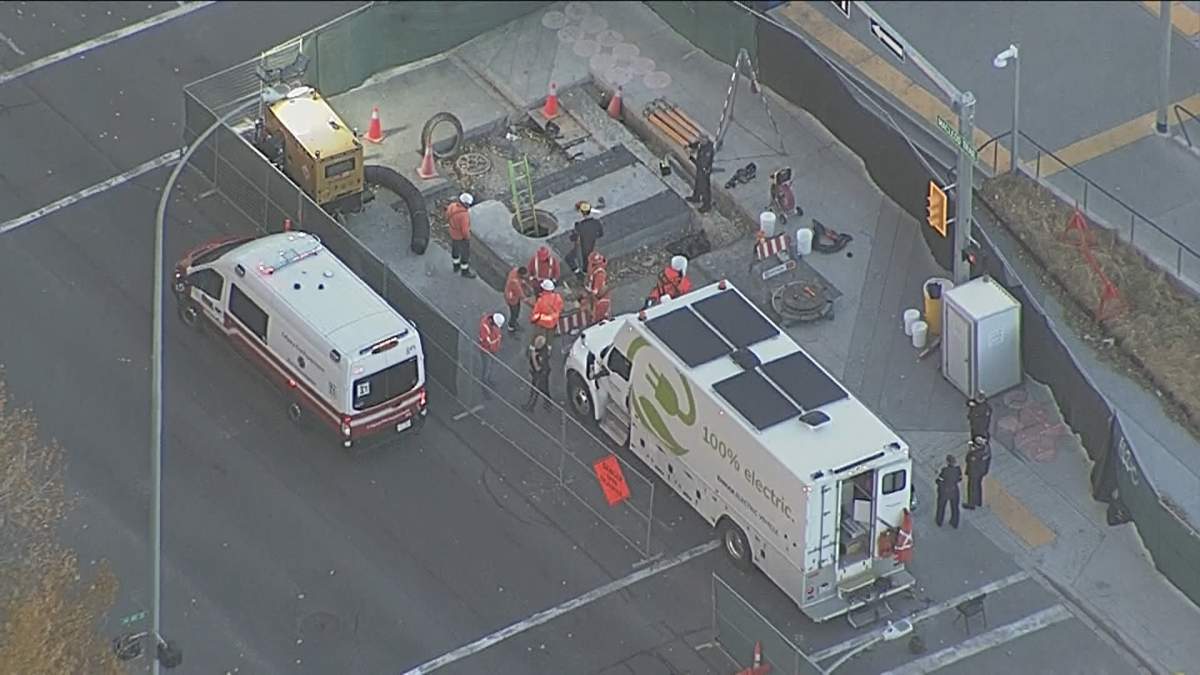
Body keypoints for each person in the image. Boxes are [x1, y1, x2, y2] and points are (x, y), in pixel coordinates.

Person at [565, 201, 604, 280]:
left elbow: (573, 238)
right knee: (587, 262)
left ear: (582, 213)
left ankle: (578, 273)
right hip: (591, 245)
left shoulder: (579, 226)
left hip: (581, 247)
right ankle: (586, 273)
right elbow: (600, 234)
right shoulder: (597, 223)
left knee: (569, 258)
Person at [446, 193, 476, 278]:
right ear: (466, 204)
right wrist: (467, 238)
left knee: (455, 250)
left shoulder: (452, 206)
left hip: (453, 233)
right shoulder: (464, 215)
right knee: (465, 253)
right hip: (461, 237)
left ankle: (456, 266)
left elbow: (447, 215)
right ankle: (465, 271)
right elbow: (465, 231)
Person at [523, 334, 553, 412]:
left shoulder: (543, 354)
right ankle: (548, 402)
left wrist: (533, 357)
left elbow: (538, 368)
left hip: (541, 374)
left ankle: (530, 406)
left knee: (535, 390)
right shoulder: (540, 348)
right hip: (543, 372)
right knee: (544, 388)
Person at [685, 136, 714, 213]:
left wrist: (691, 158)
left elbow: (701, 165)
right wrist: (689, 146)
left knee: (704, 187)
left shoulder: (708, 151)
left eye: (701, 140)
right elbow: (695, 145)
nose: (699, 141)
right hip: (700, 170)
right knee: (697, 184)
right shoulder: (702, 144)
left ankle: (706, 205)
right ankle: (696, 197)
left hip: (704, 171)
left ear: (705, 140)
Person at [581, 250, 611, 325]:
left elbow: (595, 291)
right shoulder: (593, 270)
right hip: (595, 295)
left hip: (599, 297)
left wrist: (591, 299)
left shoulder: (600, 274)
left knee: (600, 314)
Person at [963, 435, 993, 510]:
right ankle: (978, 501)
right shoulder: (986, 449)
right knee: (978, 486)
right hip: (981, 471)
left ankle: (971, 503)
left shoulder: (976, 453)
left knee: (972, 487)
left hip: (974, 472)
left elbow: (968, 459)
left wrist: (971, 450)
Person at [477, 312, 504, 392]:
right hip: (486, 350)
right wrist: (494, 343)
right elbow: (486, 341)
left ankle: (488, 380)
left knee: (490, 366)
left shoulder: (492, 324)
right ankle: (484, 385)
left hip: (493, 349)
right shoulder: (485, 327)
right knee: (486, 367)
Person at [935, 454, 962, 528]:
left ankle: (939, 521)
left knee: (941, 507)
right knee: (955, 507)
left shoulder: (944, 470)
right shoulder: (958, 469)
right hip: (954, 490)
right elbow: (960, 479)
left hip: (944, 491)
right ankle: (955, 522)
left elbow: (939, 481)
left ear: (947, 462)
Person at [504, 265, 532, 333]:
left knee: (517, 310)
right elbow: (521, 295)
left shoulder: (515, 271)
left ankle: (514, 322)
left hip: (512, 294)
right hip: (512, 299)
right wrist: (532, 304)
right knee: (514, 312)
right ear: (520, 274)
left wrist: (525, 284)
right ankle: (511, 326)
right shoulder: (515, 282)